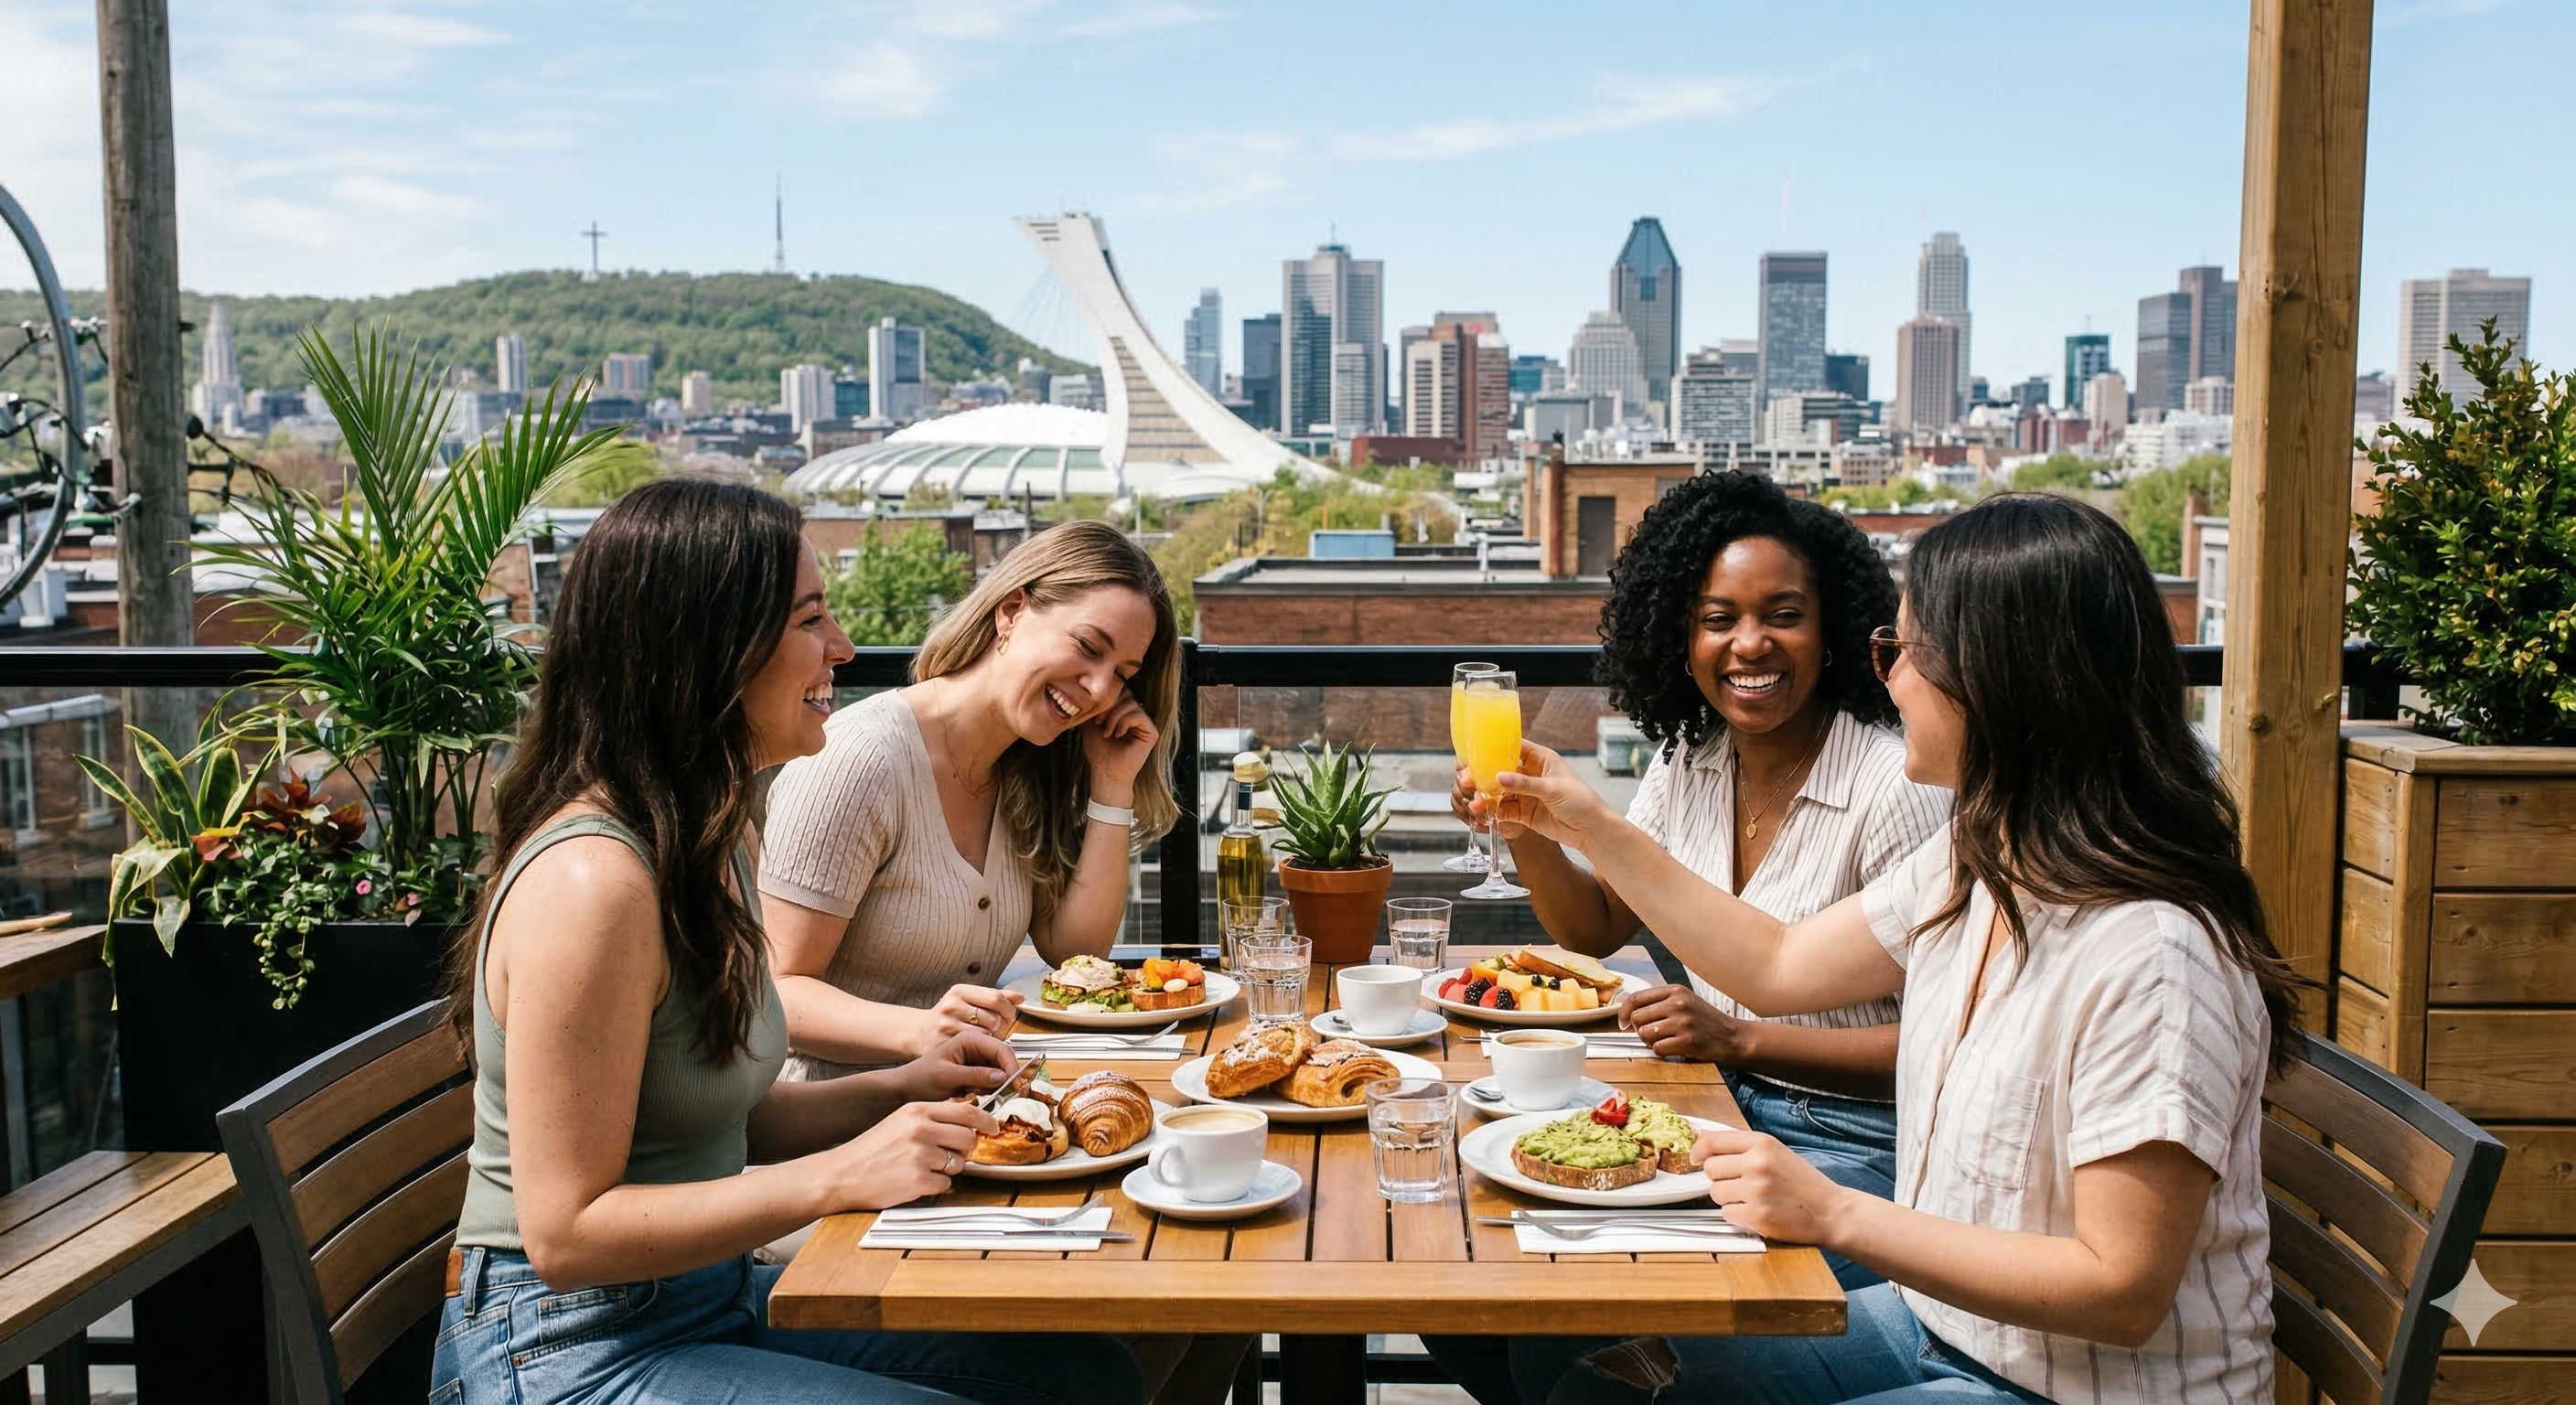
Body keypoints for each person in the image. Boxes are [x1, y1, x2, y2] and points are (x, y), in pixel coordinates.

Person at [1445, 494, 2302, 1405]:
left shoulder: (2154, 954)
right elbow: (1773, 967)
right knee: (1581, 1375)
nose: (1885, 682)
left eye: (1903, 654)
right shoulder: (1977, 856)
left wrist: (1829, 1210)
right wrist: (1575, 821)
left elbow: (2121, 1291)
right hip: (1943, 1328)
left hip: (2074, 1387)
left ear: (2004, 681)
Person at [432, 478, 1143, 1405]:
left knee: (1083, 1373)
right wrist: (840, 1176)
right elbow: (566, 1235)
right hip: (568, 1343)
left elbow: (725, 1116)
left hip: (705, 1294)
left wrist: (908, 1088)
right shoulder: (592, 885)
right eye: (811, 618)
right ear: (707, 648)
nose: (842, 648)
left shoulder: (706, 836)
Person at [1450, 472, 1946, 1292]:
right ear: (1679, 640)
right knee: (1479, 1273)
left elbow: (1943, 1048)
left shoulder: (1896, 785)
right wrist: (1525, 826)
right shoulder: (1691, 761)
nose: (1749, 644)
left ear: (1833, 633)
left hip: (1862, 1144)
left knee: (1586, 1297)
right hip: (1716, 1107)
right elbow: (1598, 925)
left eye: (1783, 616)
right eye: (1718, 620)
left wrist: (1738, 1038)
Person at [759, 520, 1182, 1077]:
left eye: (1122, 675)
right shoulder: (860, 759)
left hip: (971, 1119)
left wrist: (1111, 784)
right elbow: (774, 994)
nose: (1101, 691)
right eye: (1087, 646)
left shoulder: (1028, 767)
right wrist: (920, 1031)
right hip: (830, 1132)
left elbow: (1076, 951)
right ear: (1010, 612)